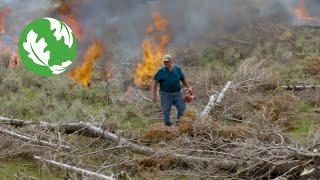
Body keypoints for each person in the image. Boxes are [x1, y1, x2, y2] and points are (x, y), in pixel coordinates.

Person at [152, 54, 192, 126]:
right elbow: (155, 83)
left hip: (177, 93)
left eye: (167, 62)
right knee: (166, 111)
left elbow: (183, 79)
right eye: (164, 62)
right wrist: (154, 95)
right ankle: (167, 126)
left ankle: (179, 124)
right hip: (165, 94)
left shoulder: (177, 69)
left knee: (182, 108)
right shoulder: (161, 71)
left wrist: (189, 87)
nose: (165, 63)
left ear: (171, 61)